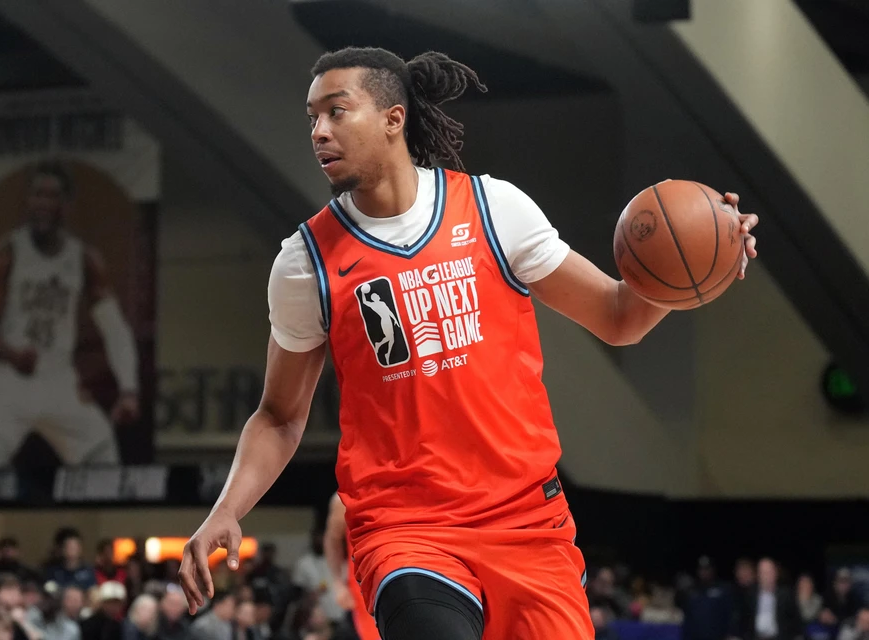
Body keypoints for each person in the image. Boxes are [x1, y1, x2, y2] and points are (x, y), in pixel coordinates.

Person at [178, 46, 760, 640]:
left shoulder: (494, 208)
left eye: (336, 111)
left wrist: (695, 263)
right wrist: (226, 508)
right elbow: (278, 416)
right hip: (406, 530)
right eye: (312, 118)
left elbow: (619, 317)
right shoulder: (305, 263)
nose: (319, 131)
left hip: (527, 521)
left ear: (393, 118)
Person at [0, 159, 139, 468]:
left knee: (103, 453)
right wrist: (12, 356)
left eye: (53, 196)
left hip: (58, 381)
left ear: (66, 204)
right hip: (8, 384)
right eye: (38, 195)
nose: (44, 203)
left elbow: (114, 327)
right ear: (27, 201)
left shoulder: (84, 258)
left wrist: (128, 389)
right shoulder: (6, 253)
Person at [324, 493, 379, 640]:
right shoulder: (344, 498)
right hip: (364, 592)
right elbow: (332, 539)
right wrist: (337, 583)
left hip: (412, 577)